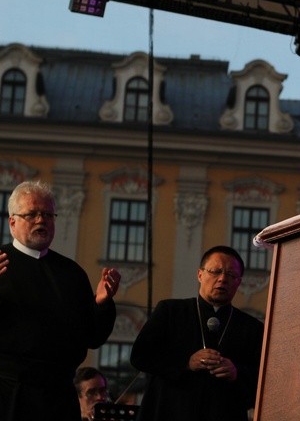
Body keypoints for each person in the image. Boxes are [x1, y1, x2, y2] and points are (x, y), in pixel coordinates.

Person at [0, 180, 121, 421]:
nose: (41, 220)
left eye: (47, 214)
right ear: (12, 222)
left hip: (58, 396)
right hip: (8, 393)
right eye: (32, 214)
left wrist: (101, 304)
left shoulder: (71, 272)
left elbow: (93, 337)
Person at [130, 245, 264, 421]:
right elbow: (140, 356)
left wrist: (236, 372)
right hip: (170, 411)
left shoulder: (251, 327)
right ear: (200, 275)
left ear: (239, 282)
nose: (222, 279)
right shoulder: (170, 311)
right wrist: (186, 362)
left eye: (231, 275)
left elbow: (264, 378)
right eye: (215, 271)